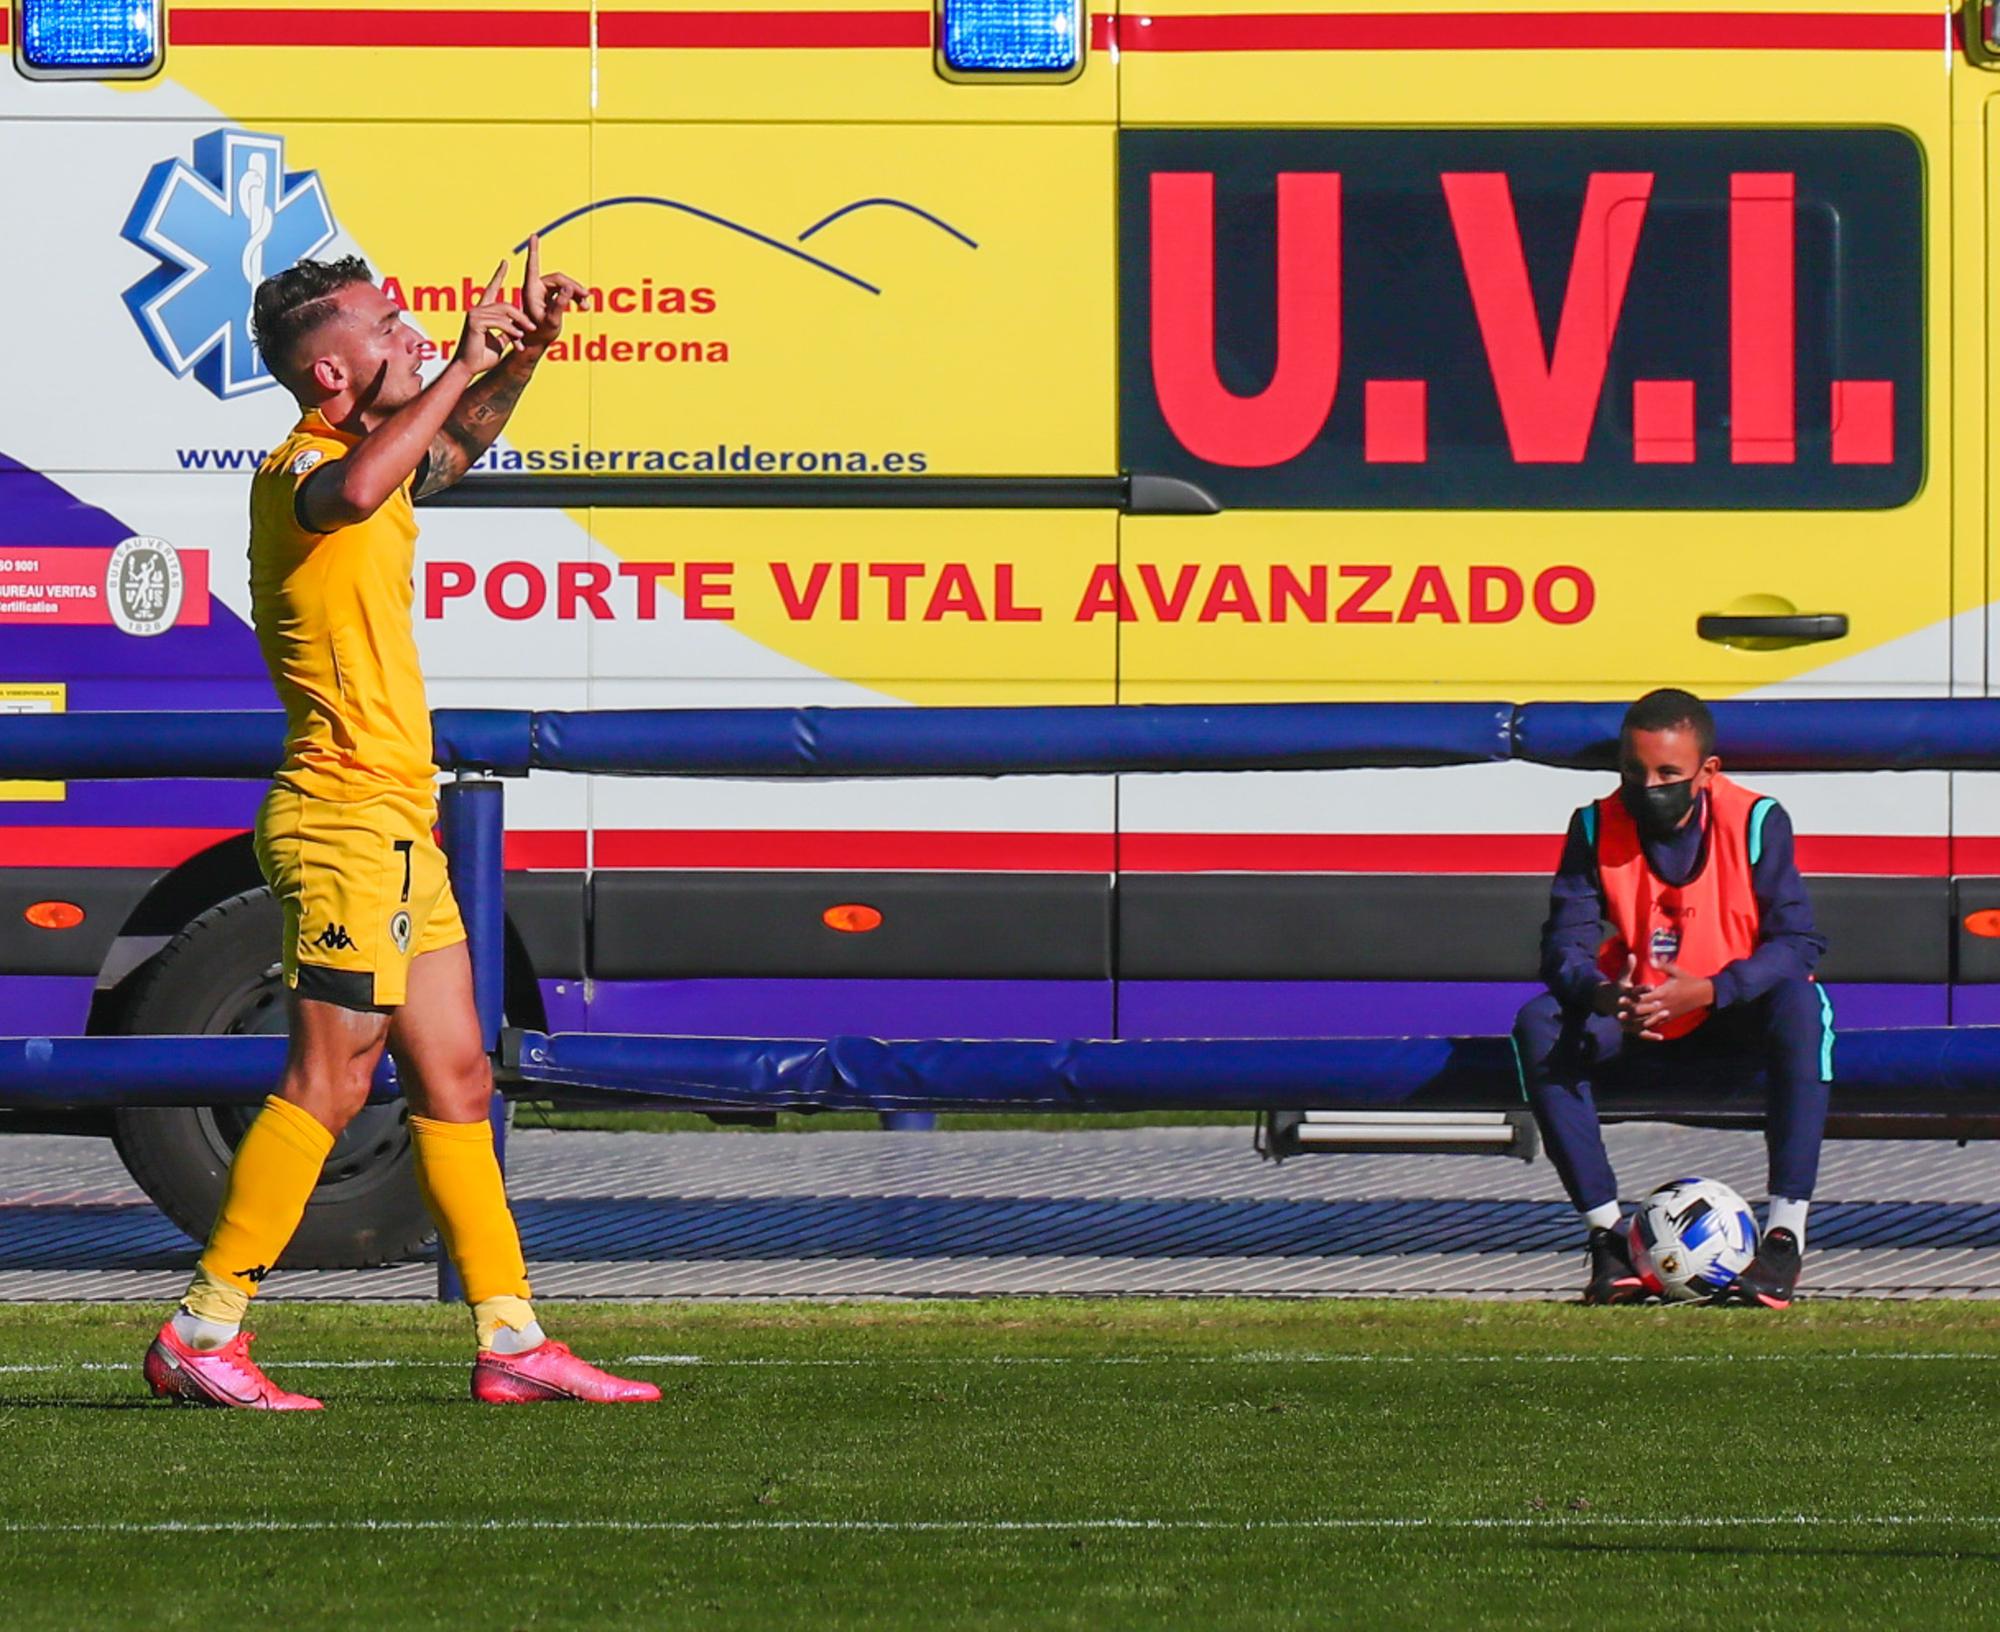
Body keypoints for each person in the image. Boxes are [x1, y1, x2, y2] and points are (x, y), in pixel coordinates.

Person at [143, 244, 658, 1407]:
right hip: (338, 822)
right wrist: (465, 358)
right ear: (331, 374)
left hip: (393, 821)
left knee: (460, 1074)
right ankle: (205, 1328)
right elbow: (364, 488)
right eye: (391, 325)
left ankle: (511, 1338)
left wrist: (518, 356)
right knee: (332, 1078)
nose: (416, 330)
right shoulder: (300, 474)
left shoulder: (372, 453)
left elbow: (449, 452)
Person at [1513, 688, 1833, 1310]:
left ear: (1706, 772)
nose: (1648, 786)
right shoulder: (1593, 823)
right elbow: (1563, 949)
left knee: (1804, 1007)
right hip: (1640, 1019)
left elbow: (1799, 941)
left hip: (1729, 1011)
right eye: (1635, 772)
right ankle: (1608, 1239)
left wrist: (1712, 990)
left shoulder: (1758, 820)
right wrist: (1609, 996)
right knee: (1539, 1025)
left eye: (1667, 774)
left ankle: (1784, 1238)